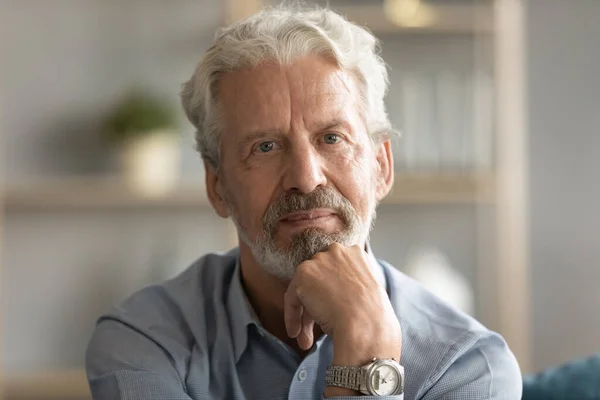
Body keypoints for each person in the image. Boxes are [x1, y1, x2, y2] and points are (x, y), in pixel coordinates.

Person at [85, 5, 522, 399]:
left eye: (332, 138)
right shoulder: (142, 340)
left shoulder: (469, 369)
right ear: (217, 186)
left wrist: (367, 343)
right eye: (265, 147)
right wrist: (367, 358)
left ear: (382, 167)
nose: (305, 178)